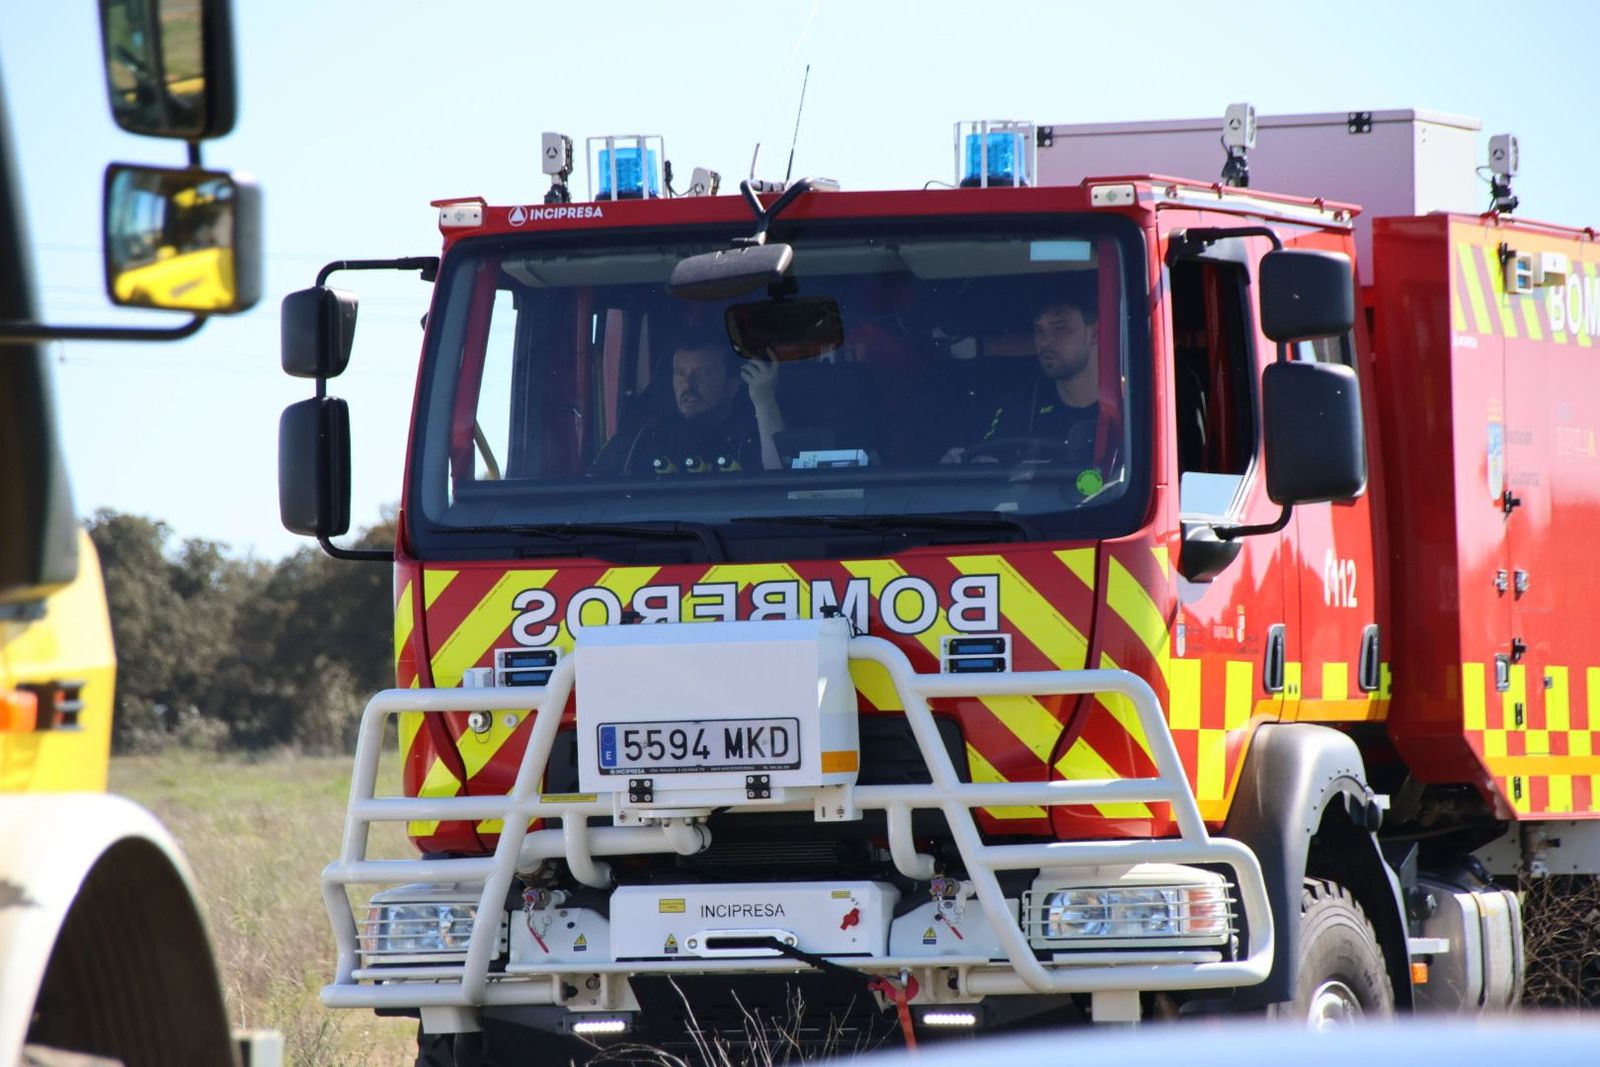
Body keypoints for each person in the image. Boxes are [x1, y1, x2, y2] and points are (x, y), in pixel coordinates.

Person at [591, 337, 785, 476]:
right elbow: (594, 494)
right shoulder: (638, 439)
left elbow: (780, 486)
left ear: (731, 387)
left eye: (705, 373)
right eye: (681, 373)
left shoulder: (754, 435)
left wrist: (764, 403)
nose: (688, 385)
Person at [944, 292, 1101, 463]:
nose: (1045, 341)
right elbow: (990, 455)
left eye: (1060, 328)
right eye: (1039, 330)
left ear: (1093, 333)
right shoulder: (1024, 402)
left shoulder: (1127, 404)